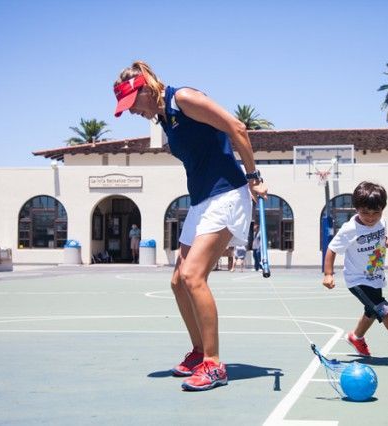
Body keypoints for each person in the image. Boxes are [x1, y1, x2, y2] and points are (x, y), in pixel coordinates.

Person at [113, 61, 267, 391]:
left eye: (131, 104)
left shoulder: (183, 98)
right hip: (200, 201)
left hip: (226, 194)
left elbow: (236, 127)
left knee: (192, 276)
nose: (131, 112)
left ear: (143, 89)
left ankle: (214, 364)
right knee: (177, 281)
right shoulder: (166, 117)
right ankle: (199, 352)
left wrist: (254, 178)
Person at [322, 181, 388, 361]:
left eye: (376, 212)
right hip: (358, 280)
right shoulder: (349, 229)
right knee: (384, 309)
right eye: (365, 212)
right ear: (356, 208)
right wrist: (328, 274)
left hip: (375, 276)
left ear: (383, 209)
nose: (370, 217)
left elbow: (380, 240)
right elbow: (332, 249)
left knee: (371, 311)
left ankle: (356, 336)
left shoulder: (381, 222)